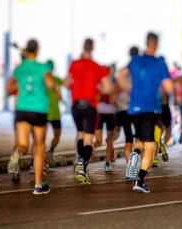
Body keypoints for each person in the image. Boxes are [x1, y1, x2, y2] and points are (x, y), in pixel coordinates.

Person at [118, 32, 174, 193]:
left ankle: (135, 152)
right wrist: (176, 94)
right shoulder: (159, 63)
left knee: (141, 138)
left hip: (134, 109)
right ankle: (140, 180)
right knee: (151, 146)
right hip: (151, 108)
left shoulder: (135, 60)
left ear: (146, 43)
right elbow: (168, 87)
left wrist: (129, 90)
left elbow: (121, 76)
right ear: (156, 45)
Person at [6, 39, 56, 194]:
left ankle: (16, 154)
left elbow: (9, 88)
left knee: (22, 144)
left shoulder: (19, 68)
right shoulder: (43, 67)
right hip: (39, 109)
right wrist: (53, 87)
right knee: (39, 146)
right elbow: (49, 84)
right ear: (37, 50)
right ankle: (38, 185)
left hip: (22, 108)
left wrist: (22, 85)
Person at [65, 38, 112, 184]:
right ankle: (81, 167)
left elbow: (66, 83)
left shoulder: (74, 64)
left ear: (82, 48)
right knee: (88, 139)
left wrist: (75, 88)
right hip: (89, 106)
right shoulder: (98, 67)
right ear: (93, 49)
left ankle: (79, 163)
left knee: (80, 134)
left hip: (76, 106)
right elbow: (108, 88)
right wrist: (97, 88)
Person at [115, 46, 138, 166]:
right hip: (138, 108)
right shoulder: (140, 70)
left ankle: (130, 166)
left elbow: (116, 90)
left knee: (128, 138)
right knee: (140, 138)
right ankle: (138, 160)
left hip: (123, 108)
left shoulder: (123, 70)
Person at [94, 74, 116, 173]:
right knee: (99, 141)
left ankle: (107, 163)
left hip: (111, 114)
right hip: (99, 114)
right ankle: (89, 152)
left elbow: (113, 100)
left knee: (110, 140)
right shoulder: (98, 85)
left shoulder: (112, 84)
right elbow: (96, 99)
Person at [44, 60, 62, 167]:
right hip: (48, 112)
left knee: (56, 135)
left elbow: (59, 95)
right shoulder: (45, 80)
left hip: (52, 112)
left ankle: (49, 152)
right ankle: (46, 156)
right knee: (46, 137)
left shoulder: (56, 80)